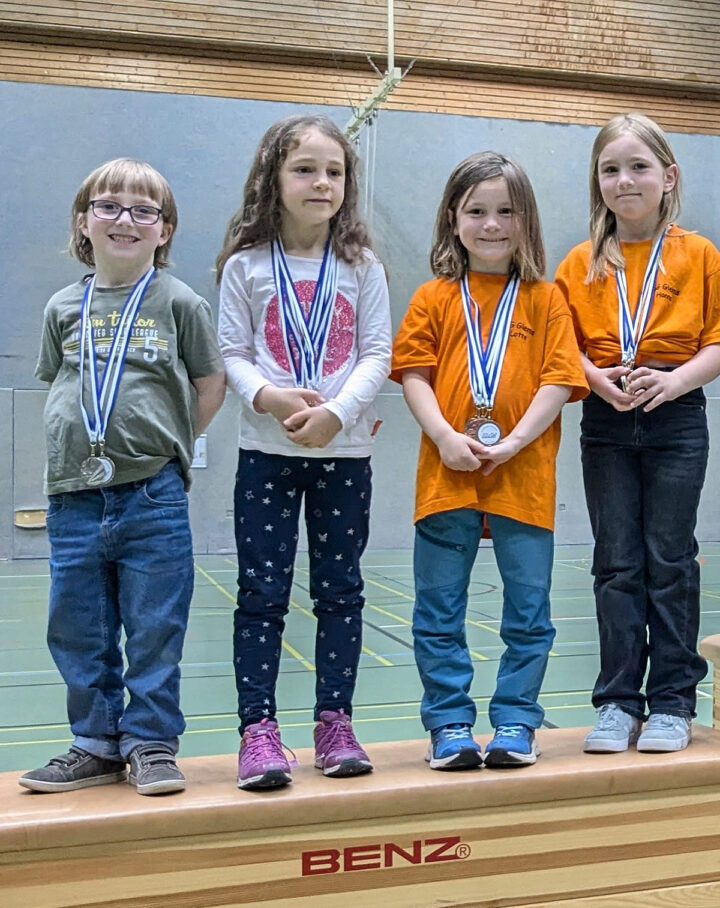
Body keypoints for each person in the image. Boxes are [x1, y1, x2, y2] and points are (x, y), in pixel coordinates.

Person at [19, 158, 226, 796]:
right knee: (78, 625)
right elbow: (59, 381)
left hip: (151, 494)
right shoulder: (63, 306)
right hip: (73, 497)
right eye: (108, 206)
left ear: (165, 229)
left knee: (156, 625)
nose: (125, 219)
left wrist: (169, 443)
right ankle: (95, 742)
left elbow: (210, 382)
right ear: (84, 222)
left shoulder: (179, 301)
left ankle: (151, 742)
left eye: (144, 210)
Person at [391, 151, 587, 770]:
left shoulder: (546, 299)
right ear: (453, 217)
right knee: (437, 612)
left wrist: (514, 443)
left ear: (526, 220)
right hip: (445, 477)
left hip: (522, 480)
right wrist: (446, 435)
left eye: (506, 211)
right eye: (477, 211)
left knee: (529, 612)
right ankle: (449, 723)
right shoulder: (433, 297)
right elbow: (414, 374)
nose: (492, 224)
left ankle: (516, 722)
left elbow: (559, 380)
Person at [216, 114, 392, 790]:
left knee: (340, 591)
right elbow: (232, 351)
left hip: (343, 455)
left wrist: (336, 415)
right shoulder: (246, 266)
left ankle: (335, 722)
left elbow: (376, 352)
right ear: (273, 178)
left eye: (334, 172)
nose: (322, 183)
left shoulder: (362, 266)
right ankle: (258, 731)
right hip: (267, 451)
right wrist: (269, 397)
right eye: (305, 169)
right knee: (262, 593)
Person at [556, 113, 720, 754]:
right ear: (597, 182)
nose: (624, 180)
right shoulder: (579, 263)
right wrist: (598, 381)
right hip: (606, 419)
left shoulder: (699, 254)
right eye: (610, 169)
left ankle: (673, 703)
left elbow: (716, 341)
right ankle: (619, 703)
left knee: (670, 559)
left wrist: (673, 382)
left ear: (668, 177)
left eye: (638, 167)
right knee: (617, 562)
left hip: (676, 414)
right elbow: (564, 347)